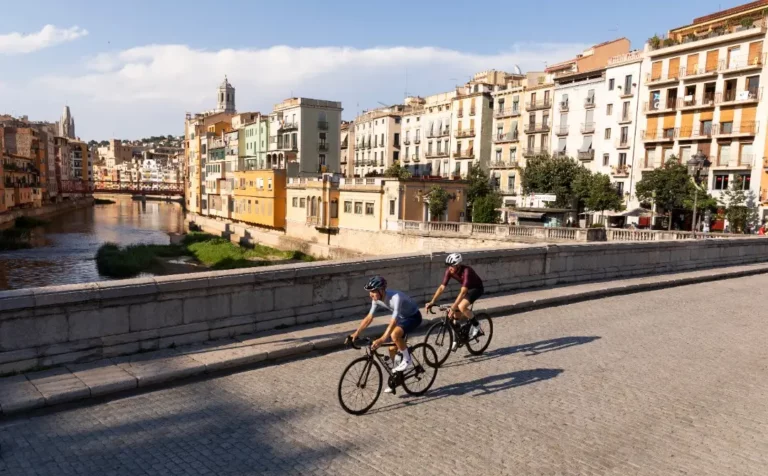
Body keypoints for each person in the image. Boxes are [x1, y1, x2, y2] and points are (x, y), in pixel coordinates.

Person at [347, 276, 423, 381]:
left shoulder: (395, 297)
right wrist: (356, 333)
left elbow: (393, 321)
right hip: (402, 318)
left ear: (382, 290)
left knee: (394, 335)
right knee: (392, 349)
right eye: (369, 292)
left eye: (373, 291)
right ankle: (397, 377)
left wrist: (381, 339)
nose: (370, 294)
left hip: (414, 317)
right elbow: (369, 317)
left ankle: (407, 359)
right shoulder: (376, 299)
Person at [426, 253, 484, 347]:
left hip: (476, 289)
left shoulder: (466, 271)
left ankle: (476, 325)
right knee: (456, 316)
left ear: (458, 265)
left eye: (452, 266)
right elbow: (441, 287)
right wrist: (432, 301)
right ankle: (458, 337)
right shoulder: (449, 271)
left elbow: (463, 292)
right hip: (466, 290)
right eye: (448, 266)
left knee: (461, 306)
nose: (450, 268)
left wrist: (453, 307)